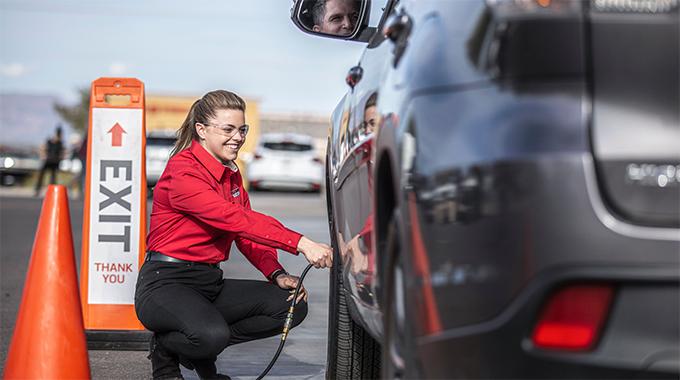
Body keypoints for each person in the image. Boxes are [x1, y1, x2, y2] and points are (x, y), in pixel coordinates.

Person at [134, 90, 333, 380]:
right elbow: (235, 218)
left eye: (242, 129)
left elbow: (247, 236)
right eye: (228, 129)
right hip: (165, 283)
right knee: (210, 337)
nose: (237, 137)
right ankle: (167, 348)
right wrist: (300, 243)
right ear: (201, 130)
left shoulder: (231, 173)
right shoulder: (182, 172)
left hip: (209, 282)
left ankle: (198, 345)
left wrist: (276, 273)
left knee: (292, 306)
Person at [34, 125, 64, 196]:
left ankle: (52, 191)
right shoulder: (50, 141)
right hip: (48, 160)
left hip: (55, 161)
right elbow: (42, 148)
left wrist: (60, 157)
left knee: (53, 177)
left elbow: (62, 152)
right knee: (42, 175)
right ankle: (38, 189)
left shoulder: (60, 143)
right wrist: (43, 155)